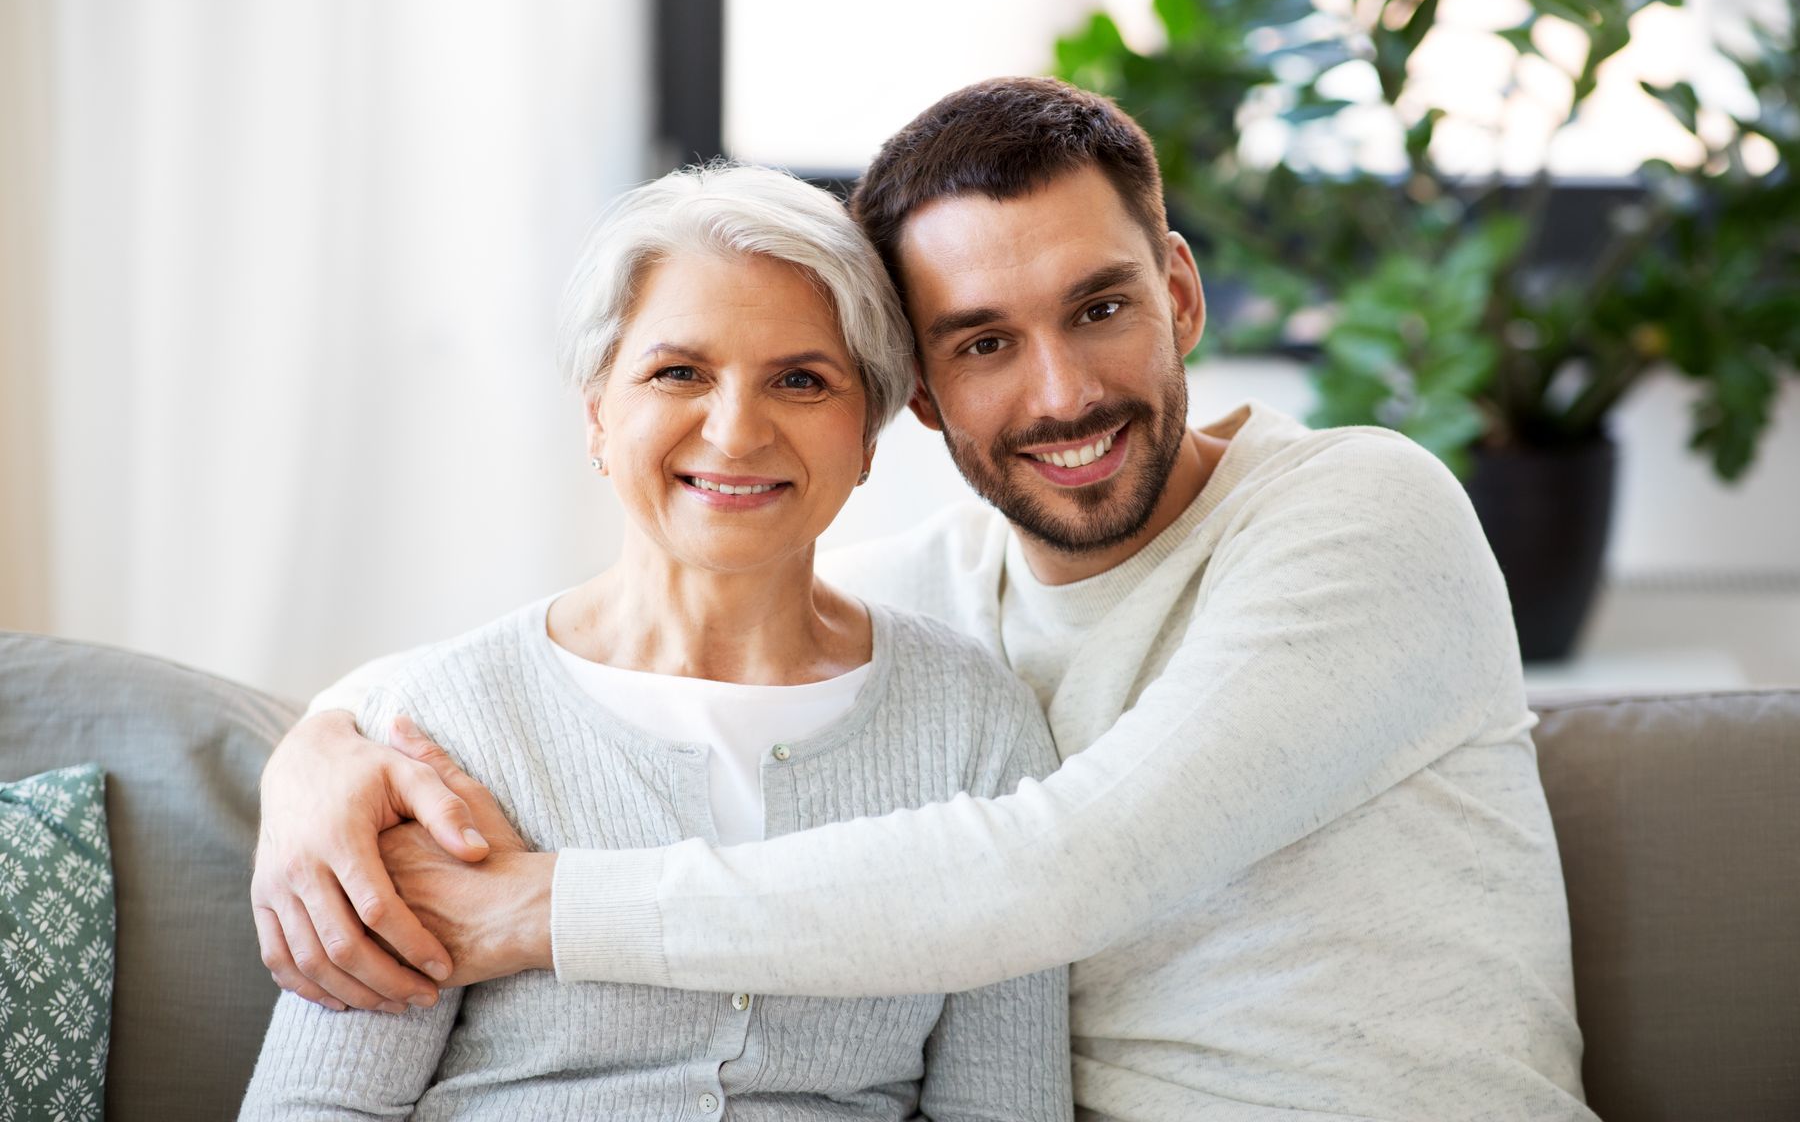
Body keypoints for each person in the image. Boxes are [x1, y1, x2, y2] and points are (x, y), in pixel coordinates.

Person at [255, 78, 1597, 1120]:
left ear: (1180, 295)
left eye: (1100, 308)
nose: (1062, 393)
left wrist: (543, 910)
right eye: (984, 343)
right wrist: (321, 754)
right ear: (919, 396)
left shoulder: (1362, 511)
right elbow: (595, 662)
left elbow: (1075, 864)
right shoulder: (940, 602)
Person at [238, 163, 1072, 1119]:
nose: (735, 430)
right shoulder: (440, 733)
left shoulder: (974, 728)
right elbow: (318, 1106)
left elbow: (1006, 1105)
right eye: (679, 372)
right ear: (598, 410)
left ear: (871, 434)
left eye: (801, 380)